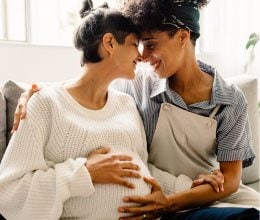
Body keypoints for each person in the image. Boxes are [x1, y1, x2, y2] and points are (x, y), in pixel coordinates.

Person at [8, 0, 260, 220]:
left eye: (150, 44)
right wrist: (35, 92)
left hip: (199, 193)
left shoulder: (229, 100)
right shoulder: (138, 84)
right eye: (137, 45)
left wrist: (176, 198)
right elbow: (87, 83)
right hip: (163, 200)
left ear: (183, 37)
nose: (142, 56)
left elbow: (228, 180)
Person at [0, 1, 152, 219]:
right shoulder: (45, 103)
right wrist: (83, 173)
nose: (140, 56)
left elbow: (143, 169)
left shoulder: (126, 103)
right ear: (109, 43)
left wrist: (194, 184)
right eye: (133, 44)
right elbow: (9, 193)